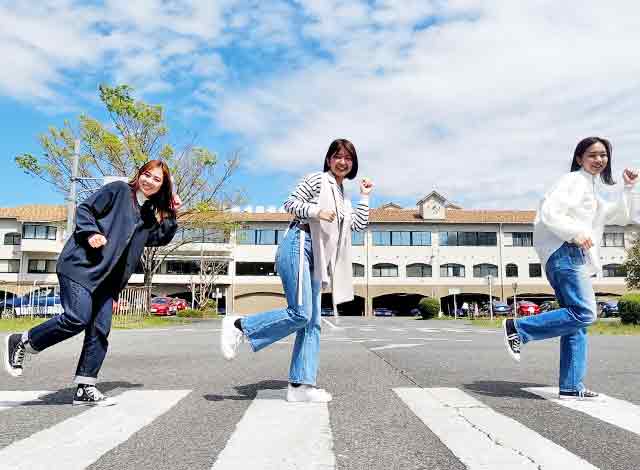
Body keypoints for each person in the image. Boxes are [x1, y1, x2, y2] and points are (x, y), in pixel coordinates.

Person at [4, 161, 180, 406]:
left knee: (100, 329)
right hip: (80, 267)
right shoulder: (118, 191)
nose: (149, 181)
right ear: (139, 175)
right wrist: (91, 232)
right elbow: (85, 209)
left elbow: (158, 238)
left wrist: (171, 213)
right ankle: (23, 341)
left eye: (156, 179)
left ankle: (85, 387)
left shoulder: (148, 213)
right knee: (77, 317)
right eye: (146, 175)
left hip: (107, 282)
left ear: (164, 186)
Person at [220, 138, 374, 403]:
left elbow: (358, 225)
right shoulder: (317, 180)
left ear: (353, 163)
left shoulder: (344, 197)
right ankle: (240, 325)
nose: (342, 162)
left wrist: (365, 196)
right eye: (337, 156)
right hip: (299, 243)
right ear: (329, 160)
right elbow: (290, 203)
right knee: (301, 313)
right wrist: (316, 211)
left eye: (348, 158)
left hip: (318, 257)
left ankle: (301, 386)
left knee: (312, 322)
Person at [502, 137, 638, 399]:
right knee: (585, 312)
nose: (599, 160)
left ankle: (571, 386)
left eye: (603, 155)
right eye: (593, 155)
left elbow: (619, 216)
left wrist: (629, 188)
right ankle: (519, 328)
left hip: (568, 255)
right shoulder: (573, 181)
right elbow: (550, 211)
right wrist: (574, 233)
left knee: (576, 324)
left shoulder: (591, 191)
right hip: (566, 252)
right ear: (579, 158)